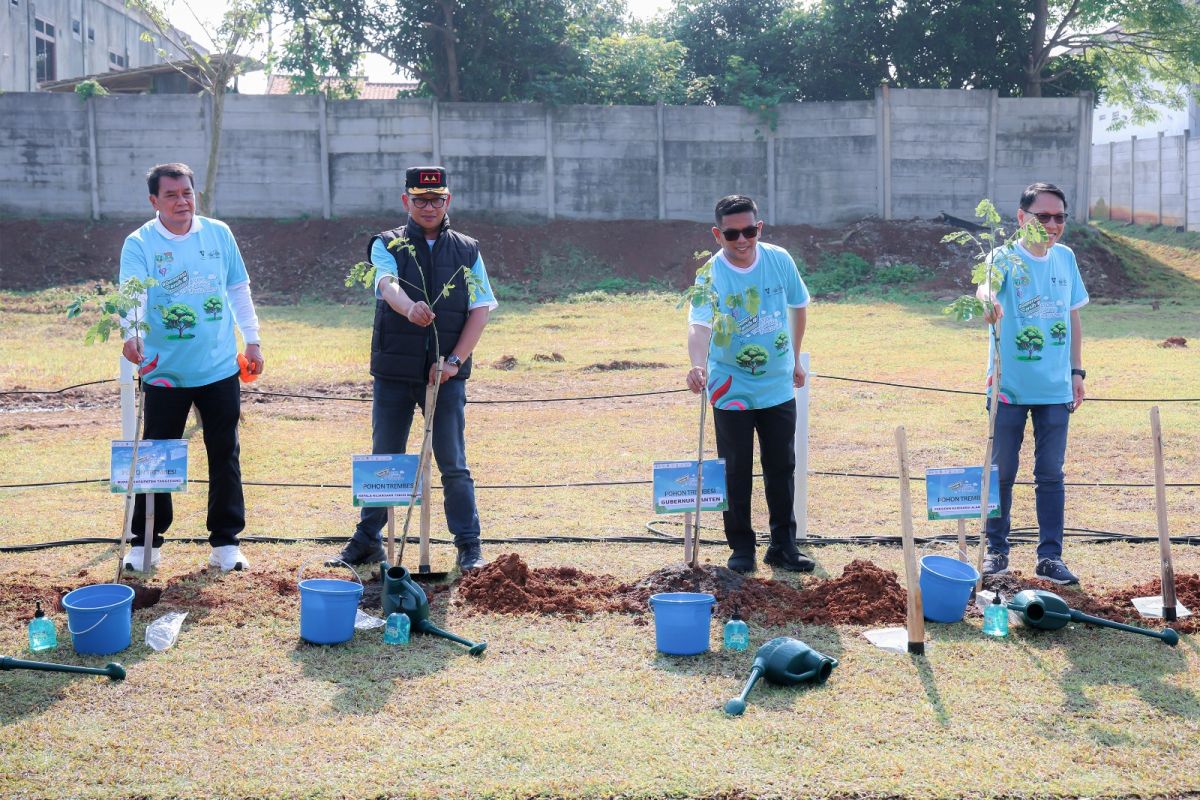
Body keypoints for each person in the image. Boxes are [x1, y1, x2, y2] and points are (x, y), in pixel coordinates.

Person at [333, 166, 497, 570]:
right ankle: (368, 539)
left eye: (436, 200)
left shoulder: (468, 250)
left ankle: (468, 544)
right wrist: (410, 308)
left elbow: (480, 309)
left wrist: (454, 362)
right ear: (406, 201)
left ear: (448, 202)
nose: (428, 207)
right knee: (384, 457)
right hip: (394, 373)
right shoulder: (386, 244)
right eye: (420, 200)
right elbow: (386, 285)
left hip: (446, 377)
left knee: (452, 461)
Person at [118, 162, 264, 572]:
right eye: (171, 195)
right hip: (163, 371)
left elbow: (237, 288)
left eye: (187, 193)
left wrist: (252, 340)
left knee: (224, 452)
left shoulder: (219, 234)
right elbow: (131, 294)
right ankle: (146, 542)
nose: (182, 202)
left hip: (219, 367)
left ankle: (226, 542)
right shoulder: (140, 243)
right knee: (156, 453)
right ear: (154, 201)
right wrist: (132, 332)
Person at [685, 194, 814, 574]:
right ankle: (741, 546)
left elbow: (799, 305)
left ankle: (784, 545)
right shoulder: (709, 275)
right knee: (735, 469)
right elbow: (699, 325)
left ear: (759, 227)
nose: (741, 241)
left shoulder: (780, 260)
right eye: (731, 234)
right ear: (717, 234)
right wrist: (697, 364)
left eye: (749, 231)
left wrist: (795, 357)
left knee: (781, 466)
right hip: (730, 388)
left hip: (776, 385)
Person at [977, 182, 1088, 585]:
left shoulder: (1066, 259)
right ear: (1022, 218)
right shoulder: (1003, 258)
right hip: (1008, 388)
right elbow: (985, 286)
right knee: (1001, 471)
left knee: (1051, 474)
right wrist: (988, 299)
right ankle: (995, 551)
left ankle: (1050, 557)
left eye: (1059, 217)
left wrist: (1077, 371)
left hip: (1056, 388)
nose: (1052, 225)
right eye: (1043, 217)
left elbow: (1073, 317)